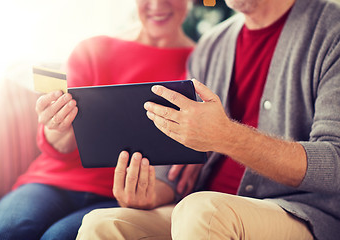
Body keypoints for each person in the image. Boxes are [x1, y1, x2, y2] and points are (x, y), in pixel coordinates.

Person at [76, 0, 340, 239]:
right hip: (202, 208)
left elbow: (335, 164)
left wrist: (226, 137)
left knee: (201, 211)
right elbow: (181, 164)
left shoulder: (331, 31)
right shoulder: (212, 44)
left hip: (298, 213)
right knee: (101, 224)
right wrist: (150, 193)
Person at [0, 0, 195, 239]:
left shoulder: (202, 64)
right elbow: (60, 146)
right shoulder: (92, 50)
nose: (157, 4)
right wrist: (57, 124)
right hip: (52, 182)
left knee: (59, 237)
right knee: (7, 232)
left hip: (122, 195)